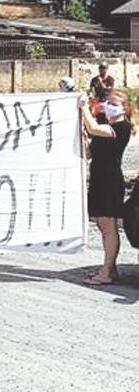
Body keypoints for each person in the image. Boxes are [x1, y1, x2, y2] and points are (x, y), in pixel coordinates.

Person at [79, 90, 134, 285]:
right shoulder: (106, 126)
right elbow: (89, 150)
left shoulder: (122, 127)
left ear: (124, 108)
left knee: (109, 227)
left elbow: (93, 128)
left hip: (110, 182)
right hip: (99, 180)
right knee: (103, 227)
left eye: (113, 103)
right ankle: (110, 268)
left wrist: (83, 107)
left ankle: (106, 273)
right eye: (107, 102)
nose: (108, 106)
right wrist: (82, 131)